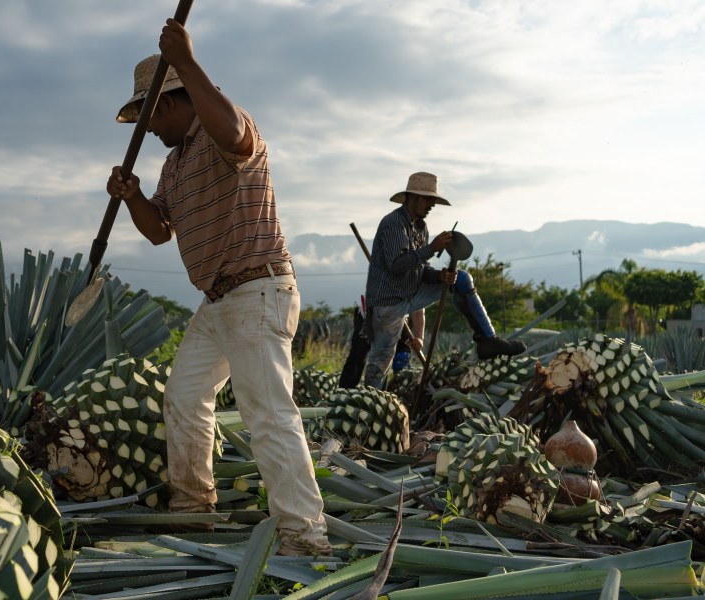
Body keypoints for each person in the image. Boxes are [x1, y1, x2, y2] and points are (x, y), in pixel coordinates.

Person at [106, 19, 332, 557]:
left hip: (257, 290)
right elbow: (160, 231)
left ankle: (305, 535)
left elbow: (232, 131)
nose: (149, 129)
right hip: (218, 300)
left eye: (148, 116)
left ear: (166, 105)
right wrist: (132, 196)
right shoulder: (173, 163)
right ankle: (192, 507)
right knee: (184, 396)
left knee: (268, 414)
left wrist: (185, 61)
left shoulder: (225, 130)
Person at [362, 172, 525, 389]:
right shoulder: (394, 224)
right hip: (388, 301)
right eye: (427, 199)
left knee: (461, 279)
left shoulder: (420, 227)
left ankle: (487, 340)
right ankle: (371, 403)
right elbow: (397, 264)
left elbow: (419, 268)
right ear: (413, 197)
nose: (431, 205)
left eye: (433, 201)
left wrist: (439, 276)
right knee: (380, 362)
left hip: (411, 293)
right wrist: (432, 248)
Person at [338, 298, 424, 388]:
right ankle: (344, 393)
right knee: (357, 359)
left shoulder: (414, 285)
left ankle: (398, 394)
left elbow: (419, 309)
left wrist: (419, 337)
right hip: (369, 316)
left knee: (401, 360)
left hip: (398, 321)